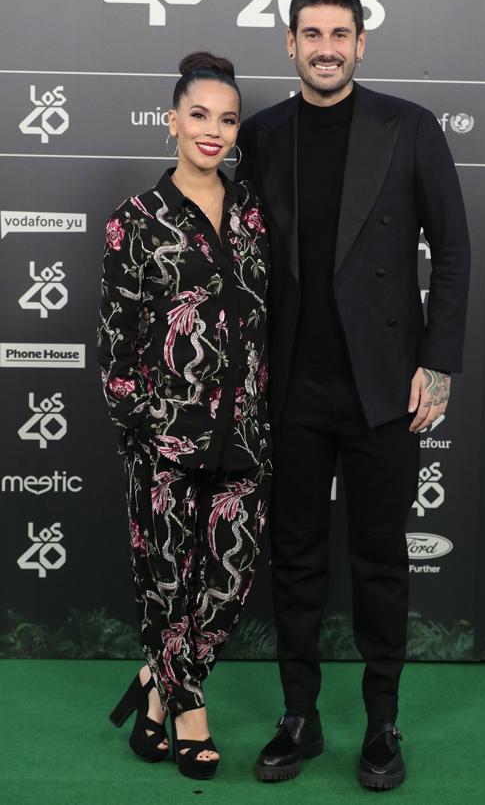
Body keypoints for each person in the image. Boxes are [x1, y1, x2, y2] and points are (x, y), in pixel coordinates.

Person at [236, 0, 470, 790]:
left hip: (384, 388)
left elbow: (452, 249)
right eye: (311, 33)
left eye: (340, 34)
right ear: (290, 43)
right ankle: (298, 718)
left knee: (378, 562)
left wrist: (437, 362)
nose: (326, 48)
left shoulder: (409, 128)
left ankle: (380, 723)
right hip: (291, 387)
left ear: (361, 43)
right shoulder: (261, 136)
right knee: (295, 559)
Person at [97, 52, 271, 781]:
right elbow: (115, 344)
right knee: (168, 584)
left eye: (227, 119)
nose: (212, 130)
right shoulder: (135, 221)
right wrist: (144, 425)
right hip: (164, 438)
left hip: (246, 434)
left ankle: (154, 685)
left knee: (227, 582)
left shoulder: (255, 215)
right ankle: (190, 713)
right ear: (172, 120)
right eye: (199, 114)